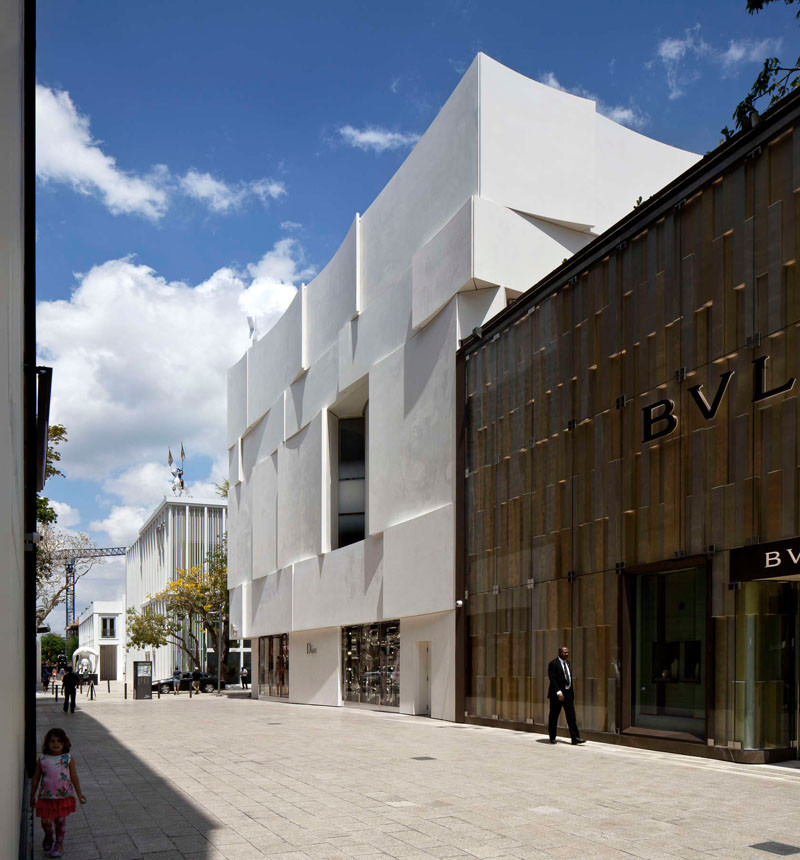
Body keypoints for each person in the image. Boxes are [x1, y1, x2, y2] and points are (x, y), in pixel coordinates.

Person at [30, 727, 86, 858]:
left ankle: (59, 845)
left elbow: (73, 776)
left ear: (64, 743)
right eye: (52, 741)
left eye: (59, 741)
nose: (55, 744)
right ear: (47, 743)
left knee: (60, 822)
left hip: (63, 797)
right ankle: (49, 837)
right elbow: (36, 778)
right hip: (46, 797)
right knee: (46, 822)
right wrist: (32, 795)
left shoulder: (68, 758)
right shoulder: (43, 759)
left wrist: (79, 793)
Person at [547, 645, 586, 745]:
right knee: (554, 716)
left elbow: (568, 677)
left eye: (568, 652)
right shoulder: (553, 664)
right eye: (565, 652)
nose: (567, 654)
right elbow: (552, 679)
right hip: (557, 695)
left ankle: (575, 738)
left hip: (568, 694)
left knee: (571, 716)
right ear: (560, 653)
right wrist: (558, 692)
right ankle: (552, 737)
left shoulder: (567, 663)